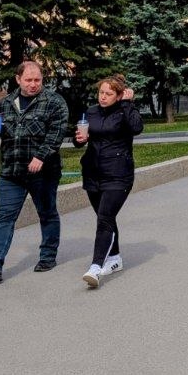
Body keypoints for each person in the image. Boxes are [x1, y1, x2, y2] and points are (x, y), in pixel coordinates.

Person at [0, 60, 70, 283]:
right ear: (18, 79)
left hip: (43, 172)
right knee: (5, 217)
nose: (34, 84)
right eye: (29, 80)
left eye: (38, 80)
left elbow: (57, 133)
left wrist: (41, 156)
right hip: (11, 172)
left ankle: (47, 256)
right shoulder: (6, 103)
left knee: (47, 213)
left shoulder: (54, 102)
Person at [74, 74, 144, 288]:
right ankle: (114, 258)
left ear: (119, 95)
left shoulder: (125, 111)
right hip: (93, 173)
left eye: (108, 94)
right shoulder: (92, 111)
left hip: (118, 174)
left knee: (104, 217)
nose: (103, 97)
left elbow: (137, 128)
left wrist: (127, 104)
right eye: (101, 93)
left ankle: (95, 267)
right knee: (106, 217)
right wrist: (79, 139)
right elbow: (78, 136)